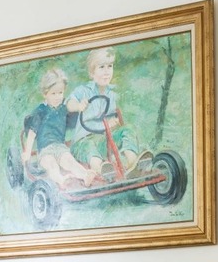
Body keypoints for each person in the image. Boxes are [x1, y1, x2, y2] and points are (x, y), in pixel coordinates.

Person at [66, 47, 146, 178]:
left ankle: (133, 163)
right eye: (102, 67)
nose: (107, 72)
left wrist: (114, 123)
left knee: (127, 129)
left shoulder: (112, 94)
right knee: (89, 145)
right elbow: (69, 104)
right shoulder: (84, 90)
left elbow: (111, 119)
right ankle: (101, 169)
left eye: (110, 66)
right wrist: (79, 105)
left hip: (104, 141)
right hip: (82, 143)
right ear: (92, 73)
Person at [22, 68, 96, 188]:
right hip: (45, 150)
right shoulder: (40, 111)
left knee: (69, 161)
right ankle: (61, 180)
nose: (57, 97)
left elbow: (74, 108)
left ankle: (85, 175)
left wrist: (80, 106)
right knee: (52, 165)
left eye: (60, 93)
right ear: (45, 94)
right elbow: (32, 133)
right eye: (53, 93)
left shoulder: (63, 108)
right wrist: (27, 152)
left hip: (60, 147)